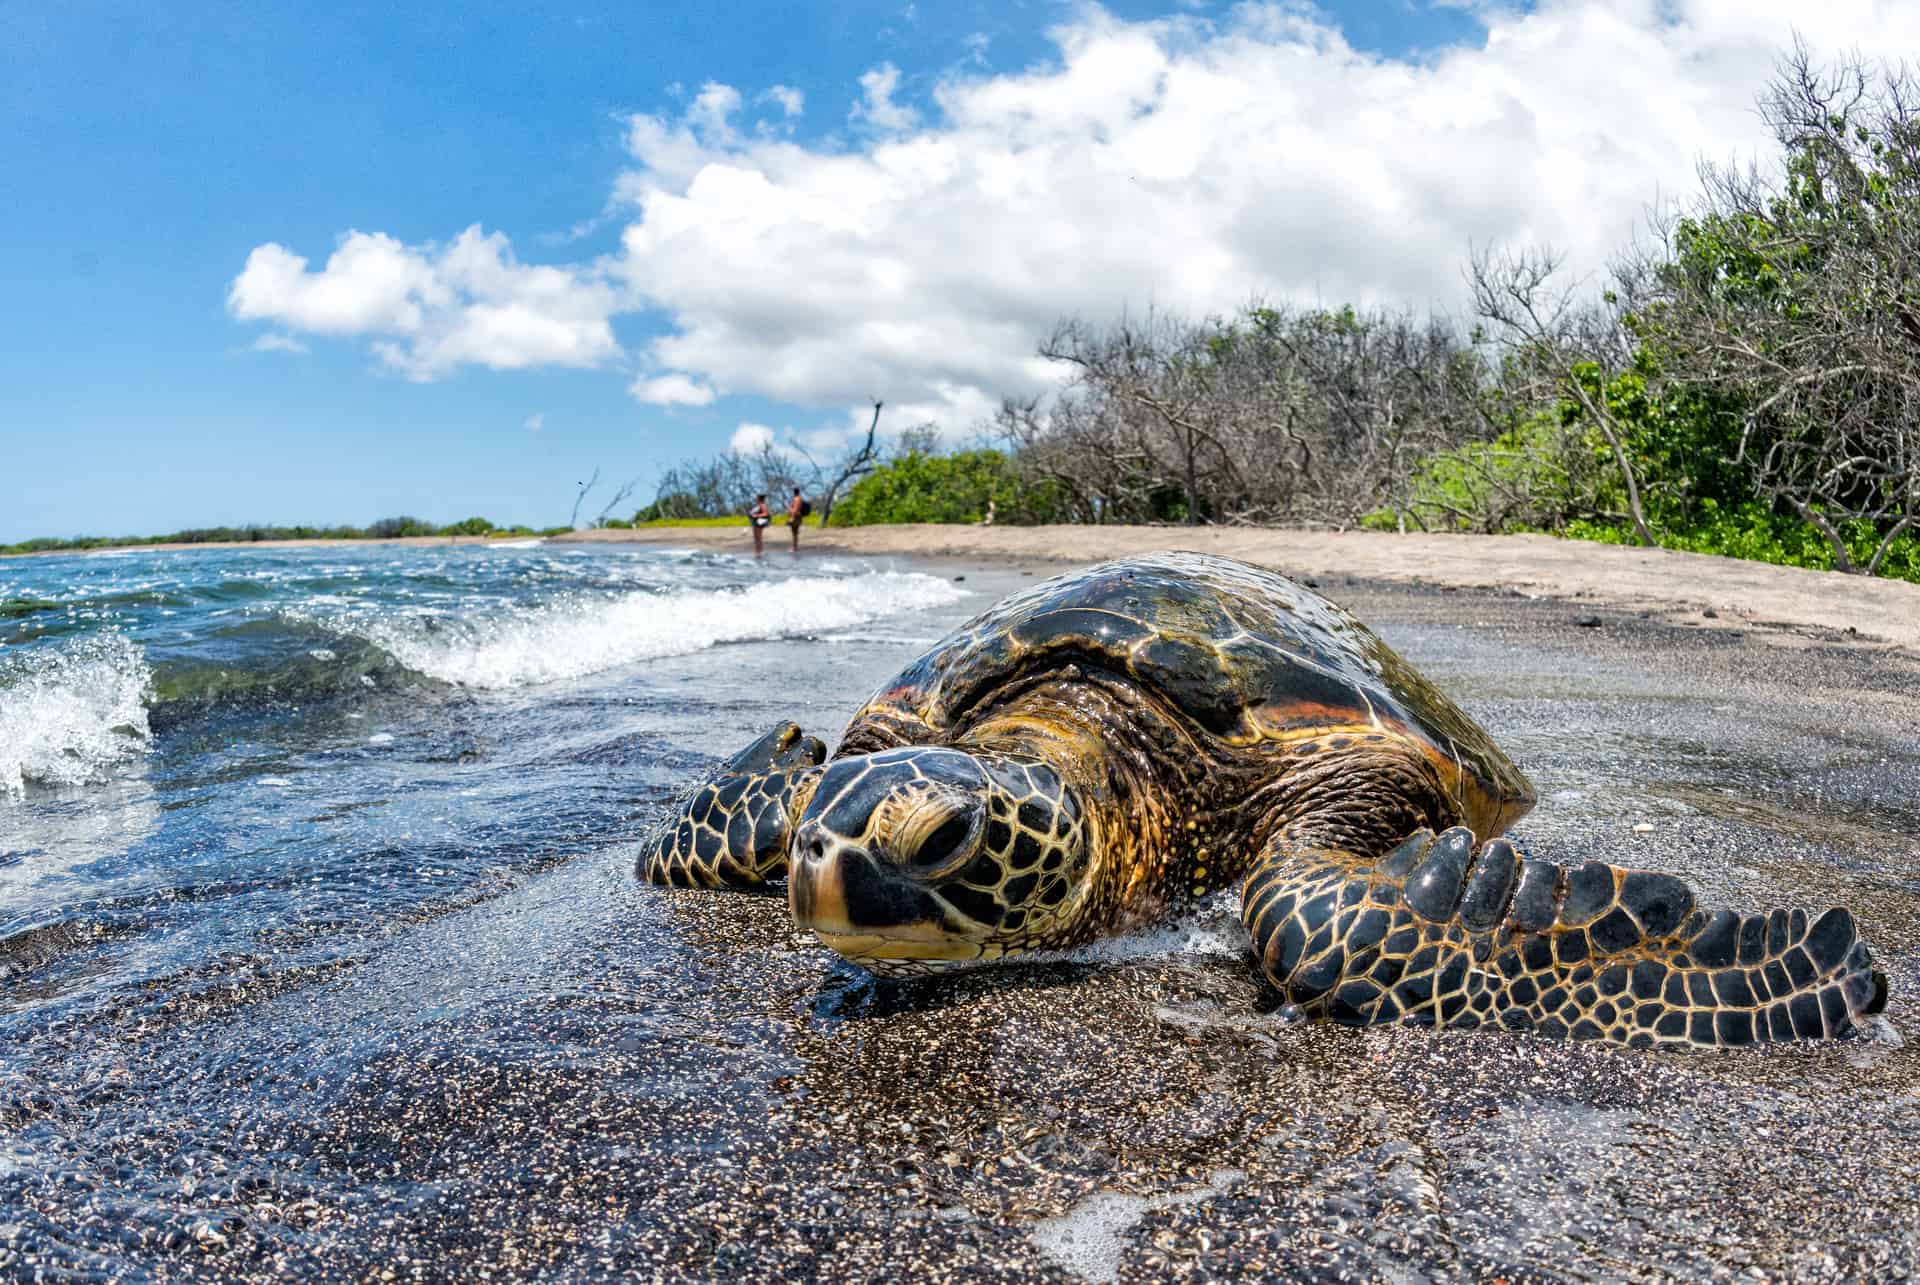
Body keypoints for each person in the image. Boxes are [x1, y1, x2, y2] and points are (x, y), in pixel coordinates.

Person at [748, 493, 770, 557]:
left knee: (757, 537)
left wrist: (756, 515)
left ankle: (757, 552)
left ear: (759, 498)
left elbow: (766, 514)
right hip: (758, 521)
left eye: (756, 498)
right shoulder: (759, 505)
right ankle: (759, 551)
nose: (755, 499)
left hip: (759, 521)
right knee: (758, 537)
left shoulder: (762, 505)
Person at [786, 486, 807, 553]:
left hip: (795, 517)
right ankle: (795, 547)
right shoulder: (798, 498)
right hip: (797, 517)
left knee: (794, 533)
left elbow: (796, 509)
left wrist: (792, 517)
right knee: (795, 533)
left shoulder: (797, 499)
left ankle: (795, 548)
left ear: (794, 492)